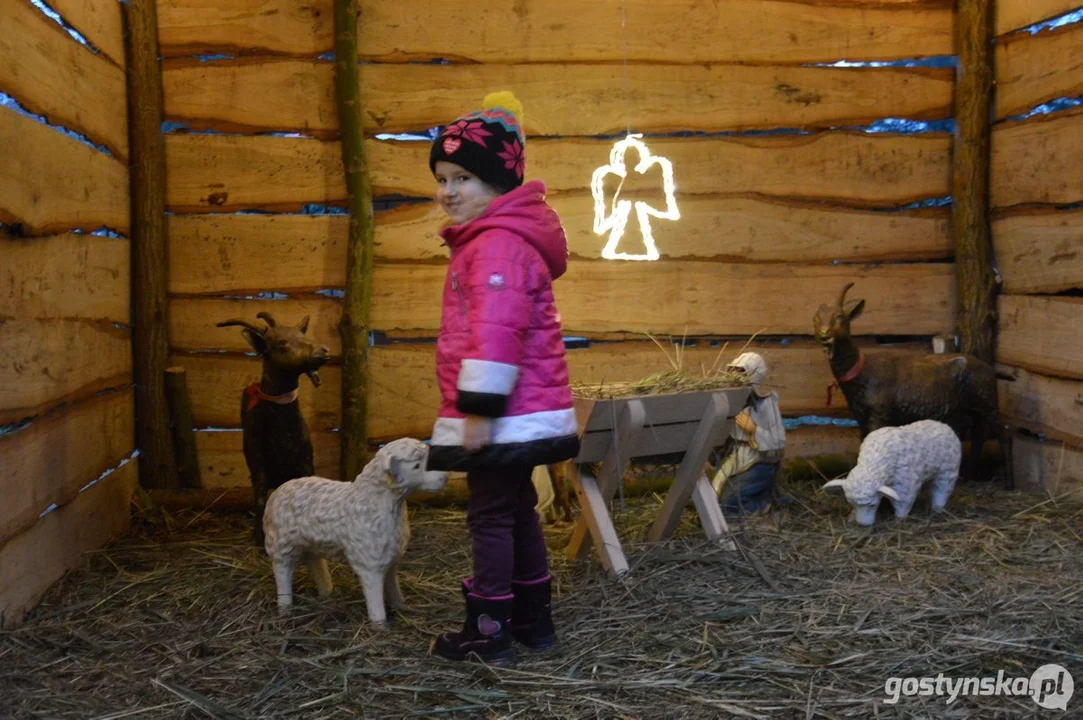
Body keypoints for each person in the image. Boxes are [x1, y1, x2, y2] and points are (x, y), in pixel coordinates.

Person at [423, 91, 580, 663]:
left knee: (489, 514)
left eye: (463, 176)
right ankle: (534, 621)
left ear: (499, 183)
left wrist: (478, 409)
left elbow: (497, 330)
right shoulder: (500, 240)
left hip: (502, 413)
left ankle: (489, 629)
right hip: (521, 410)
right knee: (515, 508)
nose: (448, 191)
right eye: (442, 177)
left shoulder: (495, 246)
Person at [711, 352, 786, 516]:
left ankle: (763, 504)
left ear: (752, 375)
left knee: (727, 504)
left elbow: (778, 441)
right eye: (733, 371)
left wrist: (753, 429)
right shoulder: (732, 401)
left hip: (758, 461)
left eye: (741, 372)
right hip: (736, 456)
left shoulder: (767, 404)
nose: (735, 377)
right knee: (713, 497)